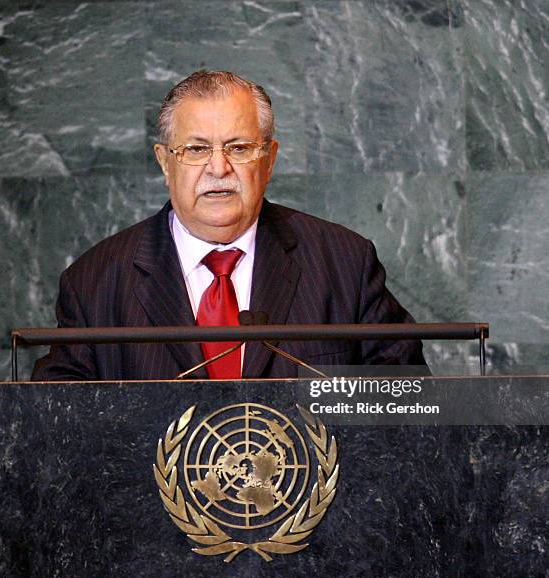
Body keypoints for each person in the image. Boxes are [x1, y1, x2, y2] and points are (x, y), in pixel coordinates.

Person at [32, 70, 425, 381]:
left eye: (238, 148)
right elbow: (58, 425)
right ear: (165, 162)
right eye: (197, 149)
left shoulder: (345, 263)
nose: (218, 168)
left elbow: (409, 403)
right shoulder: (94, 282)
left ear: (268, 160)